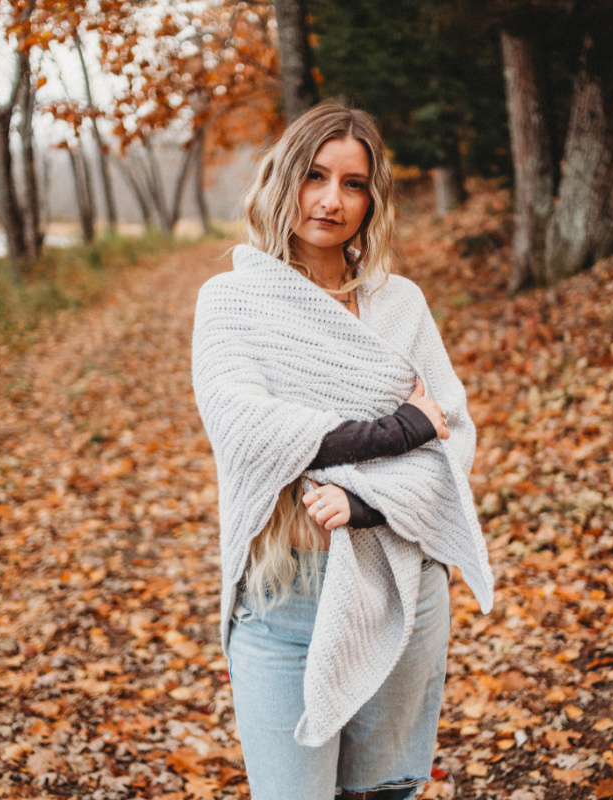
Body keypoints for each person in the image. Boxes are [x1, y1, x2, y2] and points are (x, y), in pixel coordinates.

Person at [191, 102, 494, 800]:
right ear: (282, 178)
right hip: (284, 596)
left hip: (400, 585)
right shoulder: (233, 301)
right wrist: (403, 428)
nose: (331, 200)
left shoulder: (400, 305)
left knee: (385, 795)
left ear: (372, 197)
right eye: (315, 176)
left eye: (353, 183)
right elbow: (250, 431)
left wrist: (363, 501)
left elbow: (456, 436)